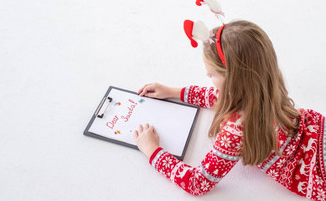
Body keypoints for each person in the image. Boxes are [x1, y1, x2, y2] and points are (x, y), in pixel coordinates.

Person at [133, 20, 326, 200]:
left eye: (212, 73)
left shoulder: (236, 131)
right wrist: (174, 92)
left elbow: (197, 183)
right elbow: (223, 97)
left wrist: (153, 151)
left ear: (235, 80)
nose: (207, 75)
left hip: (316, 171)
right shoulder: (267, 88)